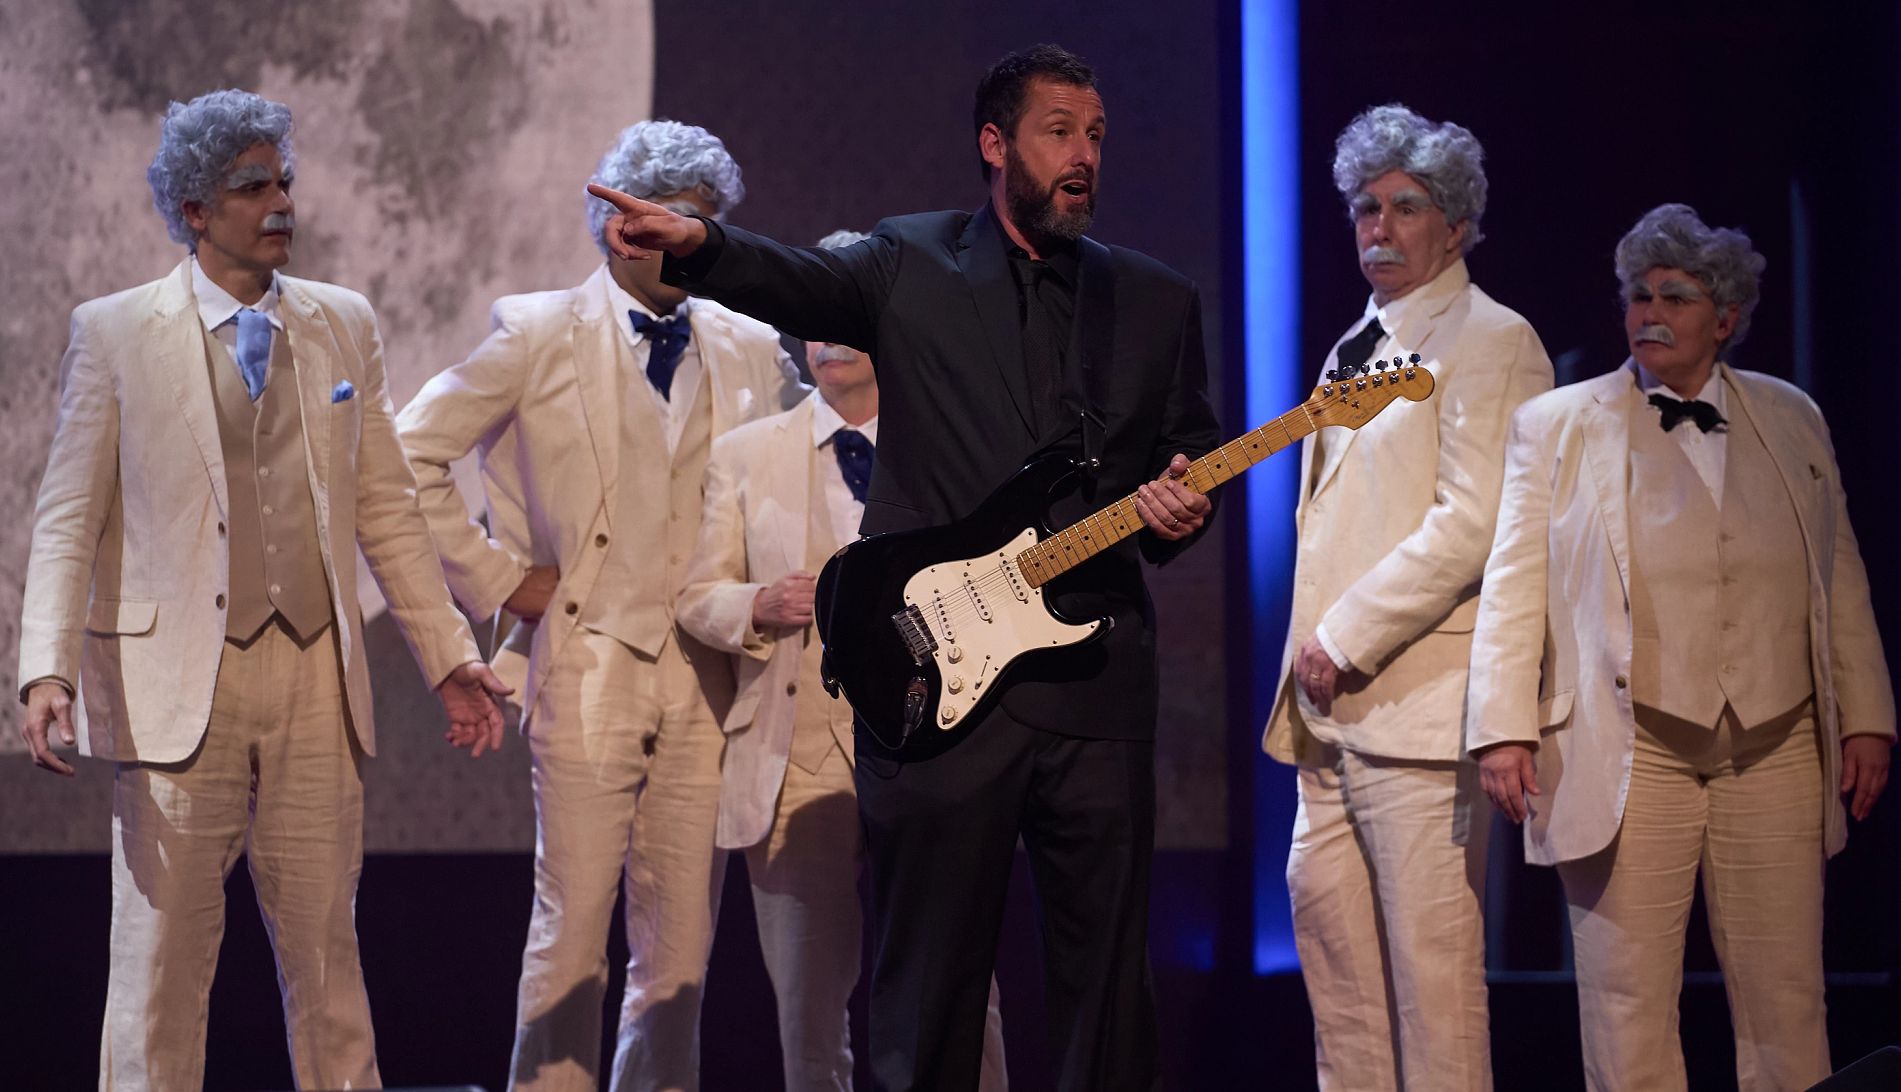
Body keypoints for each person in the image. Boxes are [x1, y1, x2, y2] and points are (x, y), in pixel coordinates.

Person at [591, 43, 1219, 1092]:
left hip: (1095, 688)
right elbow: (791, 275)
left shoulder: (1152, 299)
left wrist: (1176, 509)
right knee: (924, 984)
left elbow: (1183, 453)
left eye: (1095, 135)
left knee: (1103, 991)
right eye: (1058, 131)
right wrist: (697, 245)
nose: (1082, 156)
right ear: (994, 144)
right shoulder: (908, 261)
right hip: (941, 692)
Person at [14, 88, 507, 1089]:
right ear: (195, 210)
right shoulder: (112, 334)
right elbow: (69, 513)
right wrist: (44, 668)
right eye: (253, 187)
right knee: (158, 967)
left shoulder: (343, 322)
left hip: (314, 681)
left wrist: (449, 655)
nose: (280, 201)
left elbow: (384, 510)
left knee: (327, 956)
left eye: (284, 180)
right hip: (174, 689)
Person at [395, 119, 804, 1092]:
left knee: (680, 955)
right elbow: (408, 454)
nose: (681, 241)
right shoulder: (535, 331)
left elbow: (803, 468)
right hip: (586, 663)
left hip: (708, 676)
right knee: (572, 928)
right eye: (663, 222)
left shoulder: (749, 345)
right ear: (615, 230)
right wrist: (499, 579)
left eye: (701, 224)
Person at [1467, 203, 1894, 1091]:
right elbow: (1513, 581)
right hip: (1634, 746)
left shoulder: (1792, 415)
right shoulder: (1557, 423)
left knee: (1786, 999)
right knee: (1625, 1004)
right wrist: (1501, 725)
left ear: (1725, 317)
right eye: (1635, 294)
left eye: (1674, 295)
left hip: (1773, 742)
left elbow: (1837, 576)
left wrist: (1867, 718)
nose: (1648, 311)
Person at [1261, 104, 1553, 1090]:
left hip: (1418, 717)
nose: (1377, 228)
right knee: (1341, 998)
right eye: (1362, 209)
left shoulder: (1489, 339)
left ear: (1454, 226)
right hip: (1326, 719)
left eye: (1403, 207)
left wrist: (1342, 634)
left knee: (1431, 996)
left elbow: (1473, 521)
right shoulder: (1354, 343)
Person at [677, 230, 1009, 1091]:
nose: (825, 338)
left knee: (957, 990)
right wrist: (756, 603)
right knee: (808, 1012)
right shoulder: (746, 453)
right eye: (812, 317)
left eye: (845, 314)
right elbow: (694, 595)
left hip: (934, 743)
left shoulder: (953, 440)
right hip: (797, 756)